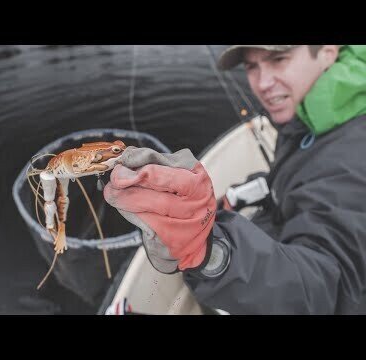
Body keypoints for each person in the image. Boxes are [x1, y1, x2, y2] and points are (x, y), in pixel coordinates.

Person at [103, 45, 366, 315]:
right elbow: (294, 180)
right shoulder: (314, 114)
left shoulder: (353, 154)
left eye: (279, 59)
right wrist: (242, 193)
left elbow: (327, 289)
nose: (263, 83)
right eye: (252, 66)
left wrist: (209, 249)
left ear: (327, 52)